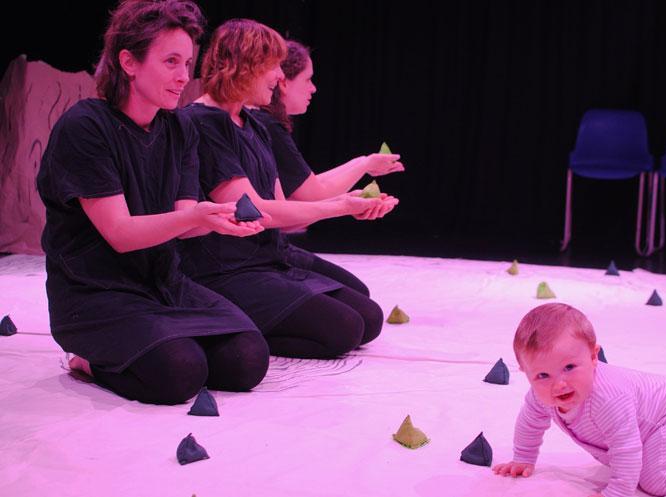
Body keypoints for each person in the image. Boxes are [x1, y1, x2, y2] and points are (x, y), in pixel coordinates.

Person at [36, 0, 270, 405]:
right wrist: (197, 215)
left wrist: (215, 220)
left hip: (162, 282)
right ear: (128, 61)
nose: (184, 77)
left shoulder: (179, 126)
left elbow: (182, 218)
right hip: (96, 292)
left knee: (247, 359)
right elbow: (121, 234)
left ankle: (157, 343)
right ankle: (88, 360)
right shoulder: (87, 127)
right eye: (171, 62)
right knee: (180, 372)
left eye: (188, 63)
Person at [178, 19, 397, 359]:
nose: (280, 77)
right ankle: (228, 328)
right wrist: (338, 206)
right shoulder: (202, 123)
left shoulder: (254, 125)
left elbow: (282, 215)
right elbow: (253, 209)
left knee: (368, 318)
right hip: (225, 270)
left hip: (268, 259)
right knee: (344, 329)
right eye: (272, 67)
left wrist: (353, 205)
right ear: (243, 67)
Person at [493, 303, 666, 497]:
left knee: (654, 478)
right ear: (525, 372)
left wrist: (619, 491)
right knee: (646, 463)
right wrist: (523, 458)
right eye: (542, 375)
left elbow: (626, 447)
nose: (558, 384)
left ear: (594, 357)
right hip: (663, 424)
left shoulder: (607, 397)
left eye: (569, 367)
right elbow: (530, 423)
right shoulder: (539, 396)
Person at [253, 40, 405, 295]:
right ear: (283, 81)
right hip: (261, 253)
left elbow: (306, 190)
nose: (313, 88)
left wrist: (363, 163)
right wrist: (362, 169)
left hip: (272, 244)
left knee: (357, 295)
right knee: (355, 305)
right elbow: (311, 195)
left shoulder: (268, 123)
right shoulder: (267, 125)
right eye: (308, 79)